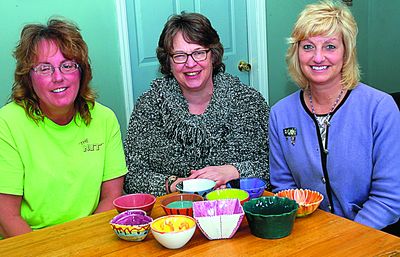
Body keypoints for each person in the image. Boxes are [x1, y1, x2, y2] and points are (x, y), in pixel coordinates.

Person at [269, 0, 400, 232]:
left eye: (330, 46)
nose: (318, 58)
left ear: (346, 53)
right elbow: (284, 188)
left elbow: (389, 197)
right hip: (309, 234)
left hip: (373, 235)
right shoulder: (280, 114)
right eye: (308, 47)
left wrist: (345, 241)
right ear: (296, 52)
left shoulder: (380, 108)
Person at [0, 18, 127, 238]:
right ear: (28, 77)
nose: (58, 77)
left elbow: (111, 199)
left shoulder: (105, 118)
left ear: (81, 71)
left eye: (67, 65)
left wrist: (85, 244)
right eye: (44, 68)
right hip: (29, 242)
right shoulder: (7, 123)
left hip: (91, 235)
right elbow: (7, 216)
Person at [123, 13, 269, 196]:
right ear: (168, 61)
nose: (190, 63)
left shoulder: (249, 102)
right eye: (180, 55)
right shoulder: (149, 106)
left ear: (212, 55)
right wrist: (176, 184)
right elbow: (132, 177)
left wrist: (233, 171)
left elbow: (274, 165)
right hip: (172, 217)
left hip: (238, 211)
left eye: (199, 52)